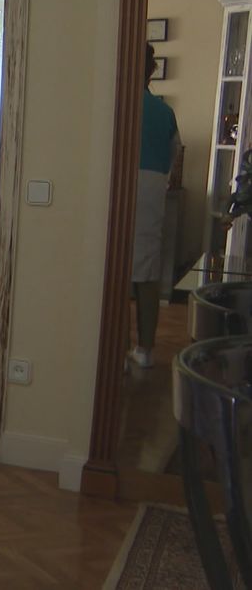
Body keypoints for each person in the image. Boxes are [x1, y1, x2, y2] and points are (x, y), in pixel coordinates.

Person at [128, 43, 180, 368]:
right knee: (146, 274)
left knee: (115, 272)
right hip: (152, 191)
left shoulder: (118, 106)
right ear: (152, 70)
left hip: (121, 187)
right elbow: (173, 156)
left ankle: (116, 348)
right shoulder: (165, 113)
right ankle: (145, 349)